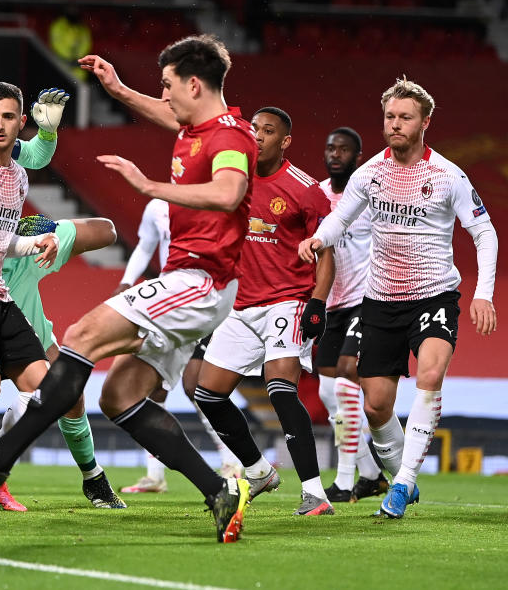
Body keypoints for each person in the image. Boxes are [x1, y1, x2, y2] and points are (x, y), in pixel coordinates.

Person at [0, 35, 257, 543]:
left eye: (169, 86)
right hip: (193, 281)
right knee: (119, 397)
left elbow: (230, 191)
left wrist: (150, 187)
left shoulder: (230, 138)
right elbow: (166, 114)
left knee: (82, 334)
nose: (166, 96)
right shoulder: (199, 124)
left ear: (194, 84)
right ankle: (220, 491)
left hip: (200, 281)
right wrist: (119, 88)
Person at [299, 78, 498, 518]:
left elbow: (484, 233)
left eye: (405, 117)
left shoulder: (448, 175)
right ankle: (400, 475)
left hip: (434, 296)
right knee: (375, 406)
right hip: (381, 301)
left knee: (430, 375)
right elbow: (338, 219)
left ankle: (402, 482)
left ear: (425, 122)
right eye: (390, 116)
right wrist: (317, 239)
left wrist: (483, 294)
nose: (395, 124)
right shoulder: (370, 174)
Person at [0, 88, 125, 511]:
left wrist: (37, 244)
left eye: (7, 117)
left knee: (49, 388)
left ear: (20, 123)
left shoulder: (19, 176)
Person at [191, 107, 336, 517]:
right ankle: (259, 471)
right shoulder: (235, 182)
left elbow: (326, 251)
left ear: (285, 141)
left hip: (286, 301)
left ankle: (314, 493)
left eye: (267, 131)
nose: (257, 135)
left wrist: (318, 303)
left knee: (280, 388)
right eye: (253, 128)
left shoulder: (304, 189)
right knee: (208, 393)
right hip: (239, 306)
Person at [114, 199, 241, 494]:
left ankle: (232, 463)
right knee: (154, 388)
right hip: (168, 300)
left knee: (196, 386)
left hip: (205, 298)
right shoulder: (157, 206)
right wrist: (127, 280)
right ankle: (155, 476)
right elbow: (146, 246)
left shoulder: (214, 200)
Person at [314, 127, 389, 503]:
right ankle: (372, 473)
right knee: (329, 393)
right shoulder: (318, 195)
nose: (336, 153)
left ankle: (344, 481)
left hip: (366, 297)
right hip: (331, 303)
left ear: (358, 156)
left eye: (344, 148)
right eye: (331, 147)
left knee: (347, 370)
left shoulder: (369, 196)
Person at [49, 7, 91, 81]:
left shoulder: (82, 27)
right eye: (71, 10)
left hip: (77, 66)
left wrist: (78, 57)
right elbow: (56, 43)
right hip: (61, 62)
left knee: (79, 82)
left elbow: (86, 43)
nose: (73, 13)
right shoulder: (59, 25)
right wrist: (68, 57)